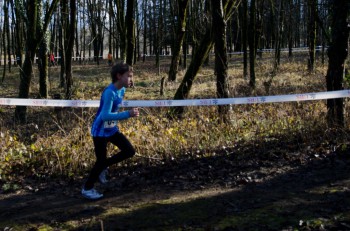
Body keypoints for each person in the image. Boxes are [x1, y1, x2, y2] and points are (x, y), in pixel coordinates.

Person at [82, 62, 139, 200]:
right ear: (119, 76)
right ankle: (87, 189)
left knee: (129, 151)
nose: (131, 80)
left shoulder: (122, 89)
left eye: (131, 77)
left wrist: (128, 83)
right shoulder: (109, 92)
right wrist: (128, 114)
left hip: (111, 128)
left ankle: (103, 166)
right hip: (100, 131)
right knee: (100, 161)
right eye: (129, 77)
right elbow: (105, 115)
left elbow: (115, 107)